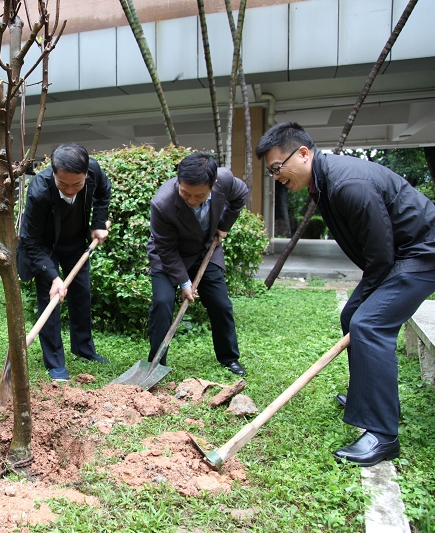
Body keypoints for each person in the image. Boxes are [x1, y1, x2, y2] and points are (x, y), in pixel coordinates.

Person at [256, 122, 435, 467]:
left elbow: (380, 256)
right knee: (351, 315)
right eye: (272, 173)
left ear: (304, 153)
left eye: (278, 168)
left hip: (422, 253)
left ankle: (382, 435)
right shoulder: (323, 182)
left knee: (368, 324)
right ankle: (366, 396)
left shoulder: (347, 183)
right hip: (402, 254)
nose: (277, 177)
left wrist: (369, 297)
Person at [147, 152, 248, 376]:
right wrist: (184, 283)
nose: (191, 201)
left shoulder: (226, 181)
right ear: (178, 182)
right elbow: (166, 249)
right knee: (163, 303)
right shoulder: (162, 203)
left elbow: (240, 195)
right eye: (185, 194)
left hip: (205, 252)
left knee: (221, 304)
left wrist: (224, 226)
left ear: (214, 184)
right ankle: (156, 362)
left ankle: (229, 357)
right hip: (169, 258)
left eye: (199, 196)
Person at [17, 143, 111, 382]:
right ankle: (55, 362)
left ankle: (83, 348)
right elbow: (31, 241)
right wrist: (54, 276)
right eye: (63, 184)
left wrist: (98, 224)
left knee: (81, 295)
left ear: (86, 174)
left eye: (77, 184)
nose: (70, 190)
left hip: (76, 242)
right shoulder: (39, 189)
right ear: (54, 173)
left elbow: (103, 191)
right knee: (51, 300)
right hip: (45, 247)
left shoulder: (94, 171)